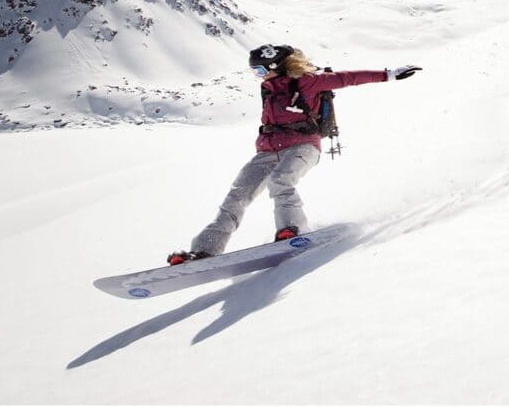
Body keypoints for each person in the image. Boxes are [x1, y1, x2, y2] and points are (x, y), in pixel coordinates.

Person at [168, 44, 421, 265]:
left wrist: (389, 75)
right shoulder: (268, 88)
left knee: (281, 181)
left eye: (260, 70)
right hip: (268, 151)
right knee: (237, 195)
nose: (258, 76)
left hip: (303, 146)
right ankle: (203, 251)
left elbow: (348, 78)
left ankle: (292, 230)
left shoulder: (307, 81)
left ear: (275, 65)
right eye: (254, 72)